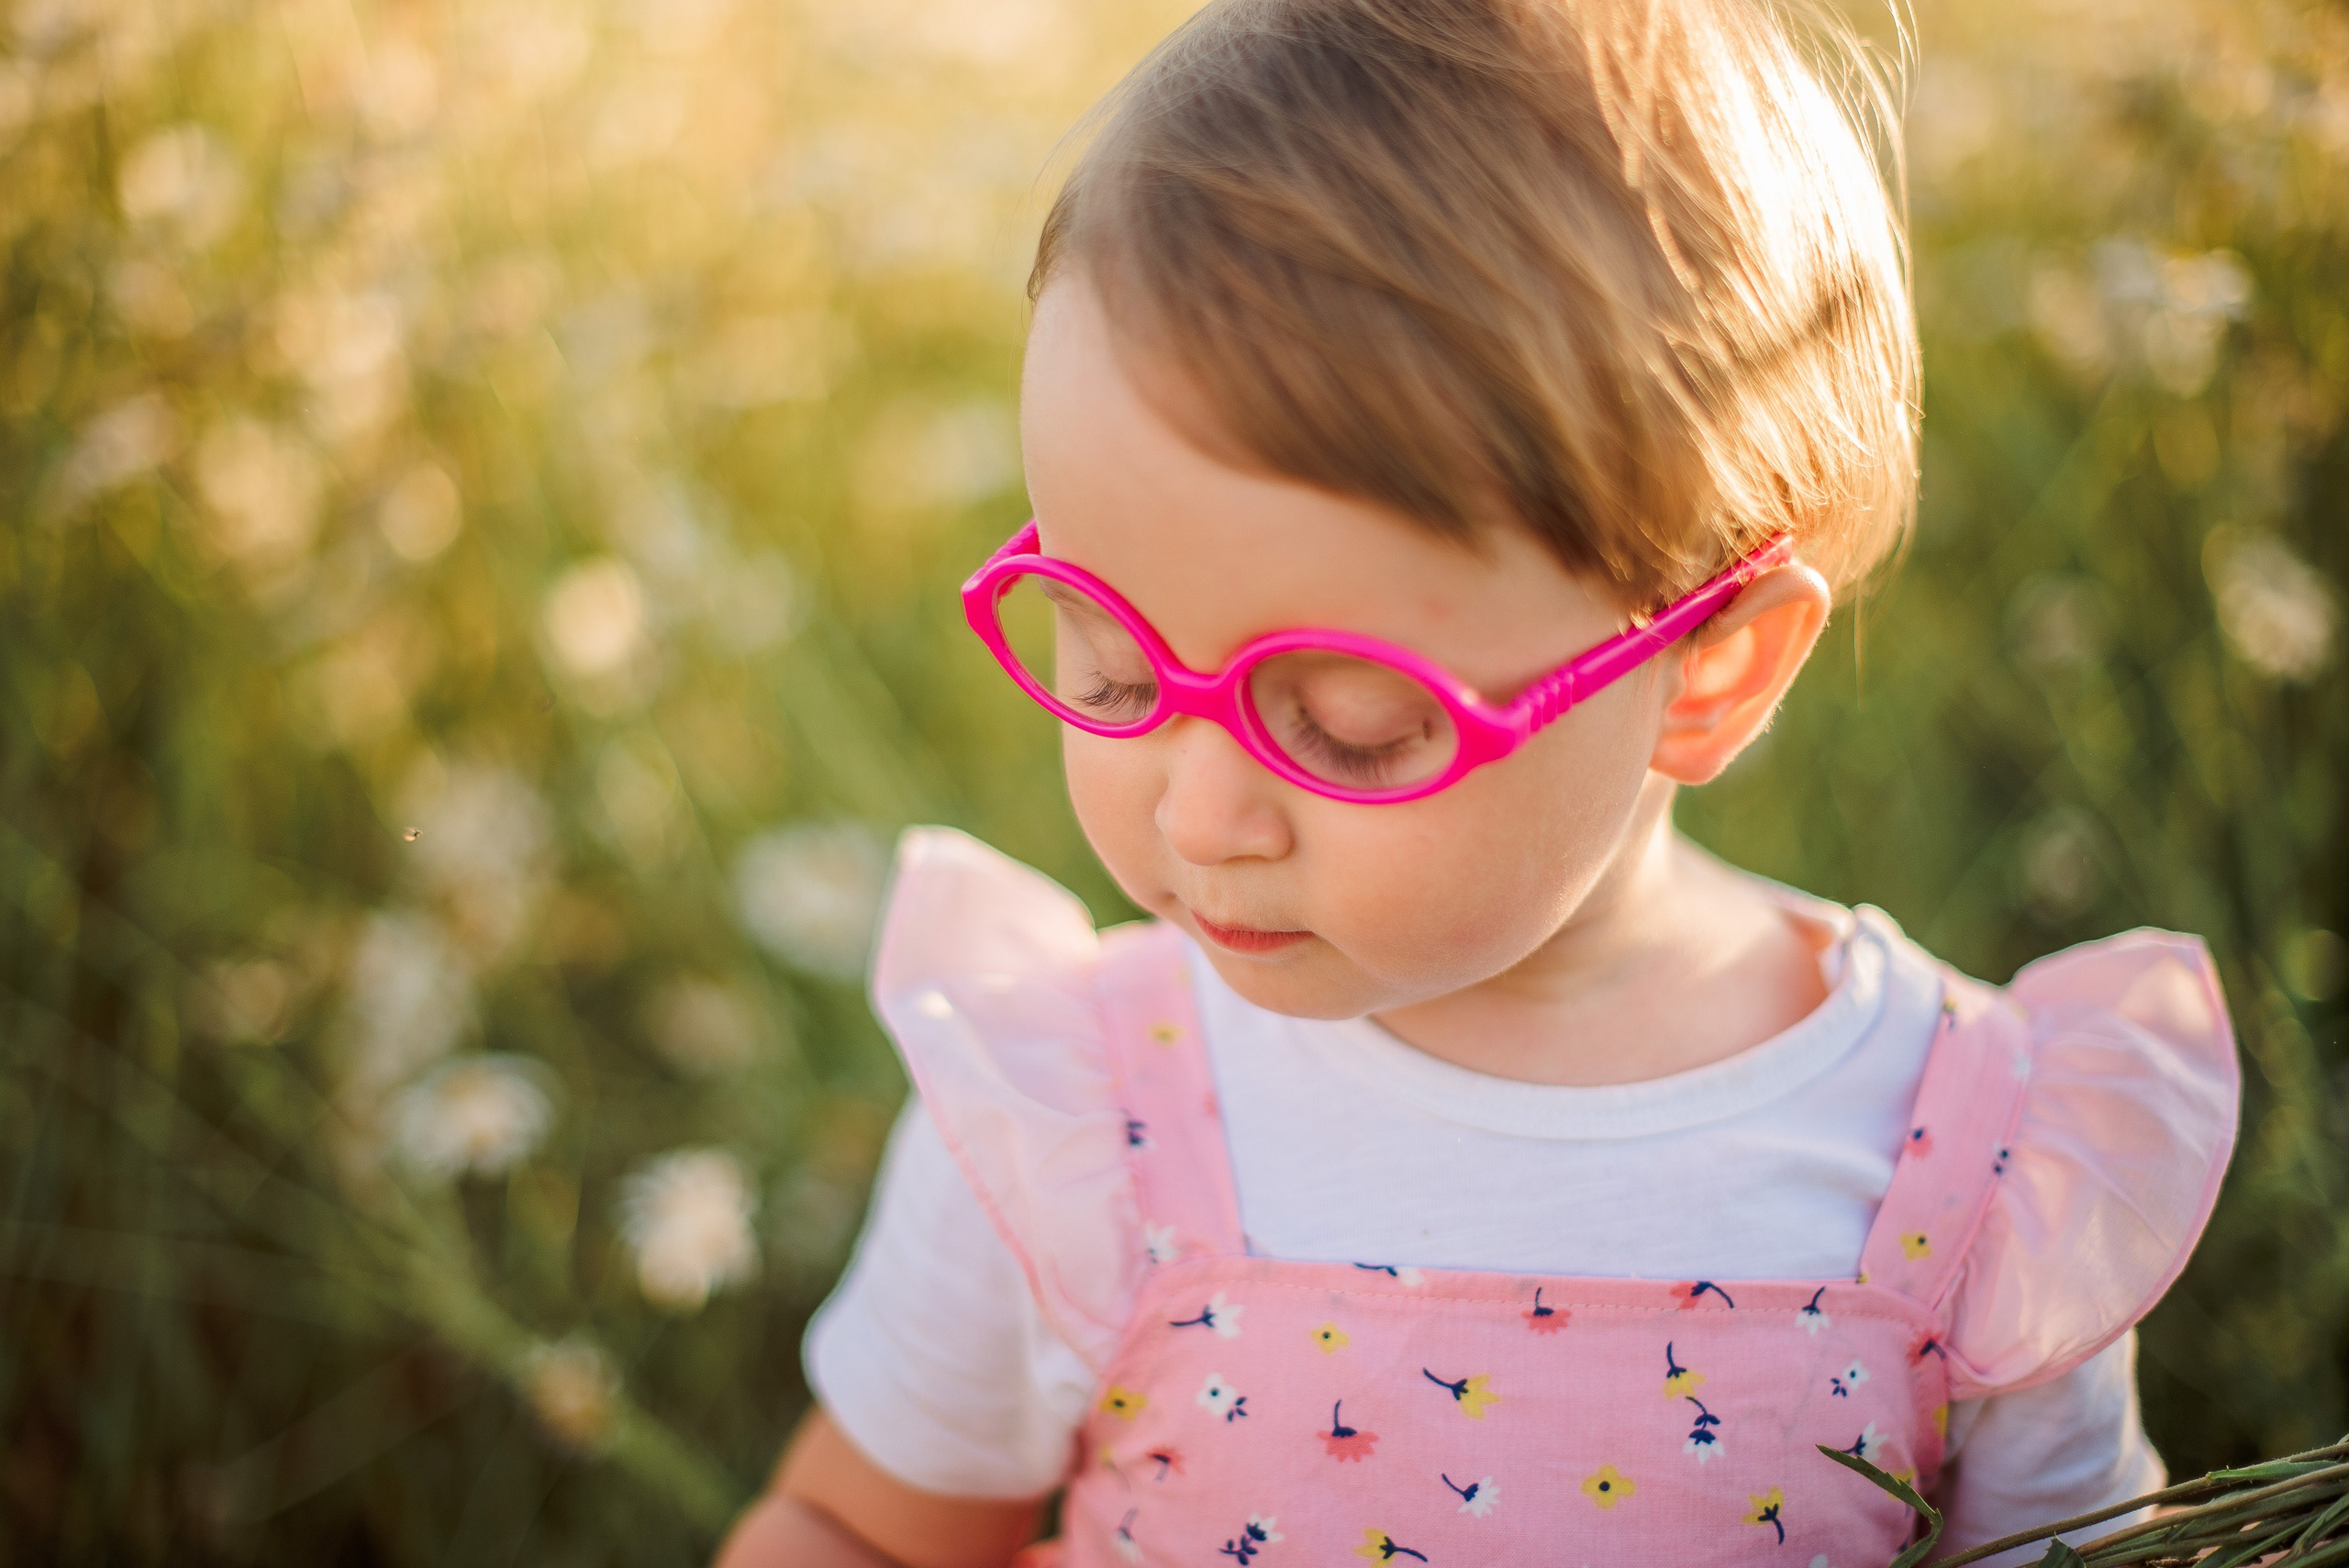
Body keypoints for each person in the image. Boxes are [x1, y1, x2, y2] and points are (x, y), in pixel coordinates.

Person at [714, 1, 2239, 1562]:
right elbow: (860, 1525)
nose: (1198, 814)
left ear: (1703, 667)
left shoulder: (1976, 1174)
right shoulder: (1075, 1115)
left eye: (1351, 725)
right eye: (1106, 662)